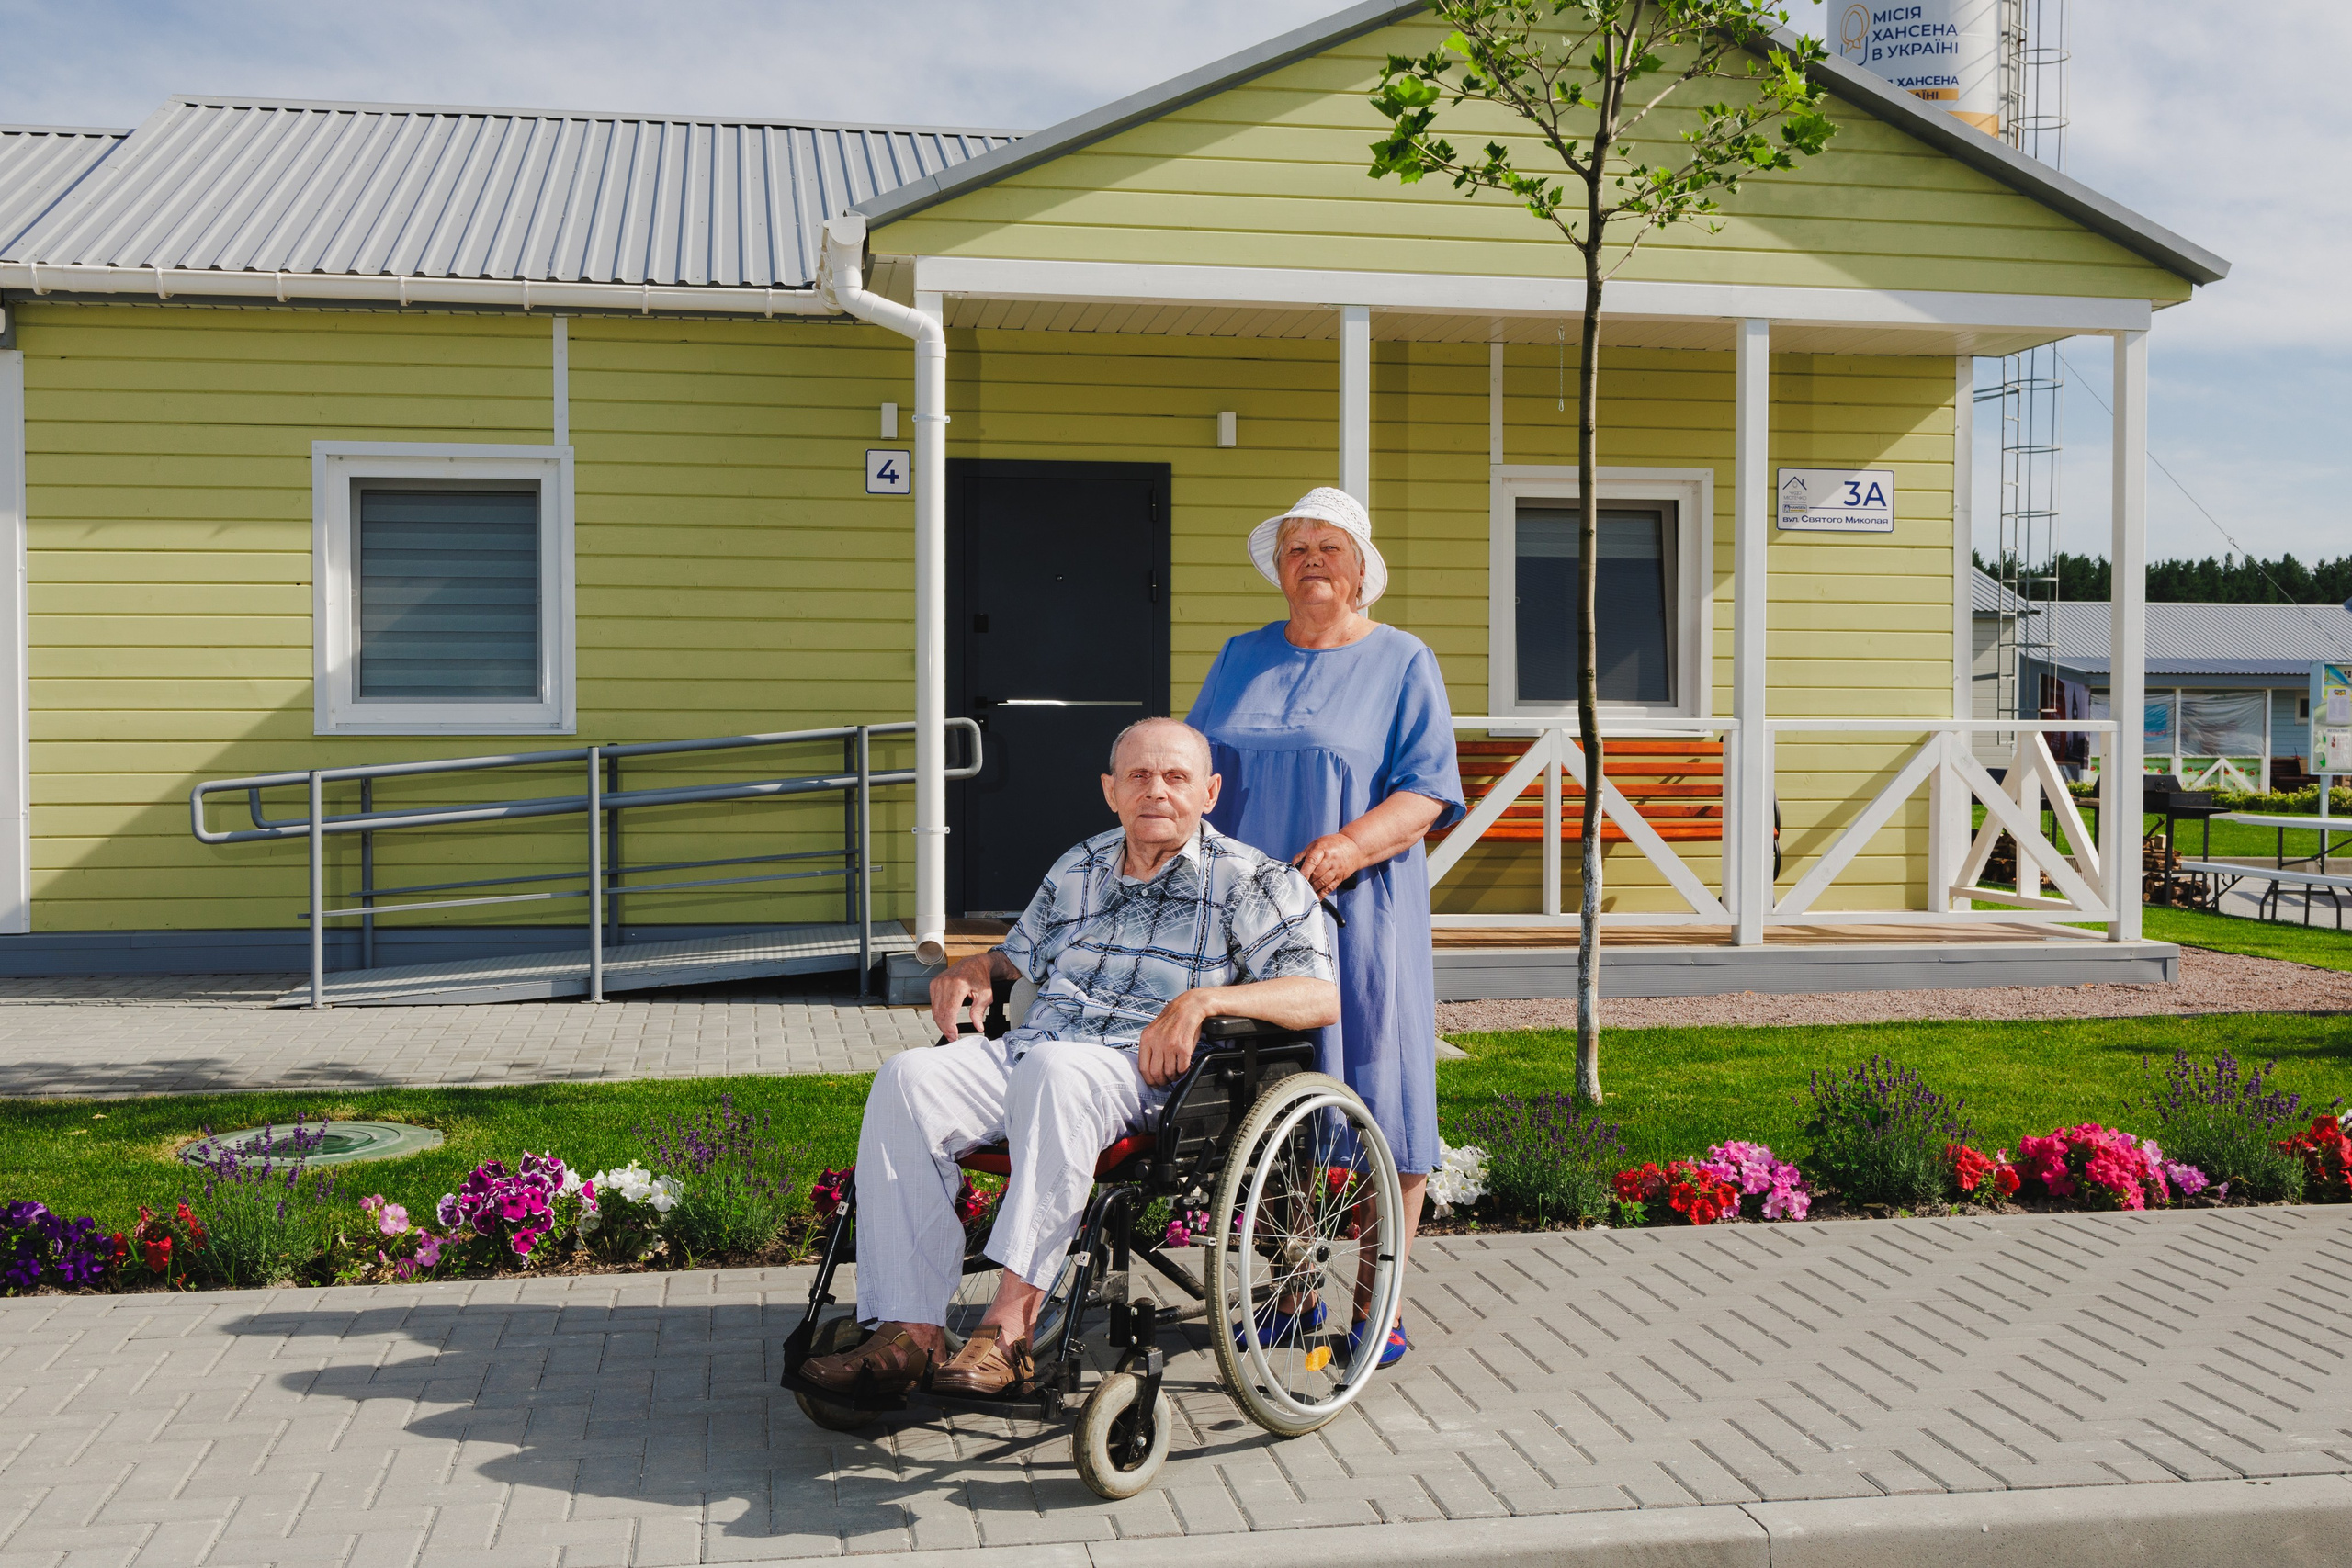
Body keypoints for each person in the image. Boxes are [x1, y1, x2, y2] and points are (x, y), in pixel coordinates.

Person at [800, 716, 1337, 1398]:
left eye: (1176, 777)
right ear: (1111, 790)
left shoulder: (1255, 880)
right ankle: (911, 1331)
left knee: (1057, 1073)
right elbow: (1016, 957)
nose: (1157, 791)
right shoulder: (1077, 866)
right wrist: (976, 967)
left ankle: (1008, 1330)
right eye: (1139, 776)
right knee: (907, 1077)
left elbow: (1318, 995)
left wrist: (1200, 1001)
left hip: (1144, 1073)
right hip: (1033, 1049)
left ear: (1210, 791)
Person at [1184, 486, 1464, 1369]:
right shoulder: (1240, 655)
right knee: (1267, 1097)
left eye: (1327, 547)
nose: (1309, 559)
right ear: (1277, 567)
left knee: (1383, 1095)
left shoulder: (1402, 660)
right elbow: (1195, 770)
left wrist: (1349, 843)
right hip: (1252, 919)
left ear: (1360, 570)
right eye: (1295, 547)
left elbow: (1426, 791)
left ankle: (1379, 1305)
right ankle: (1297, 1292)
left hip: (1360, 912)